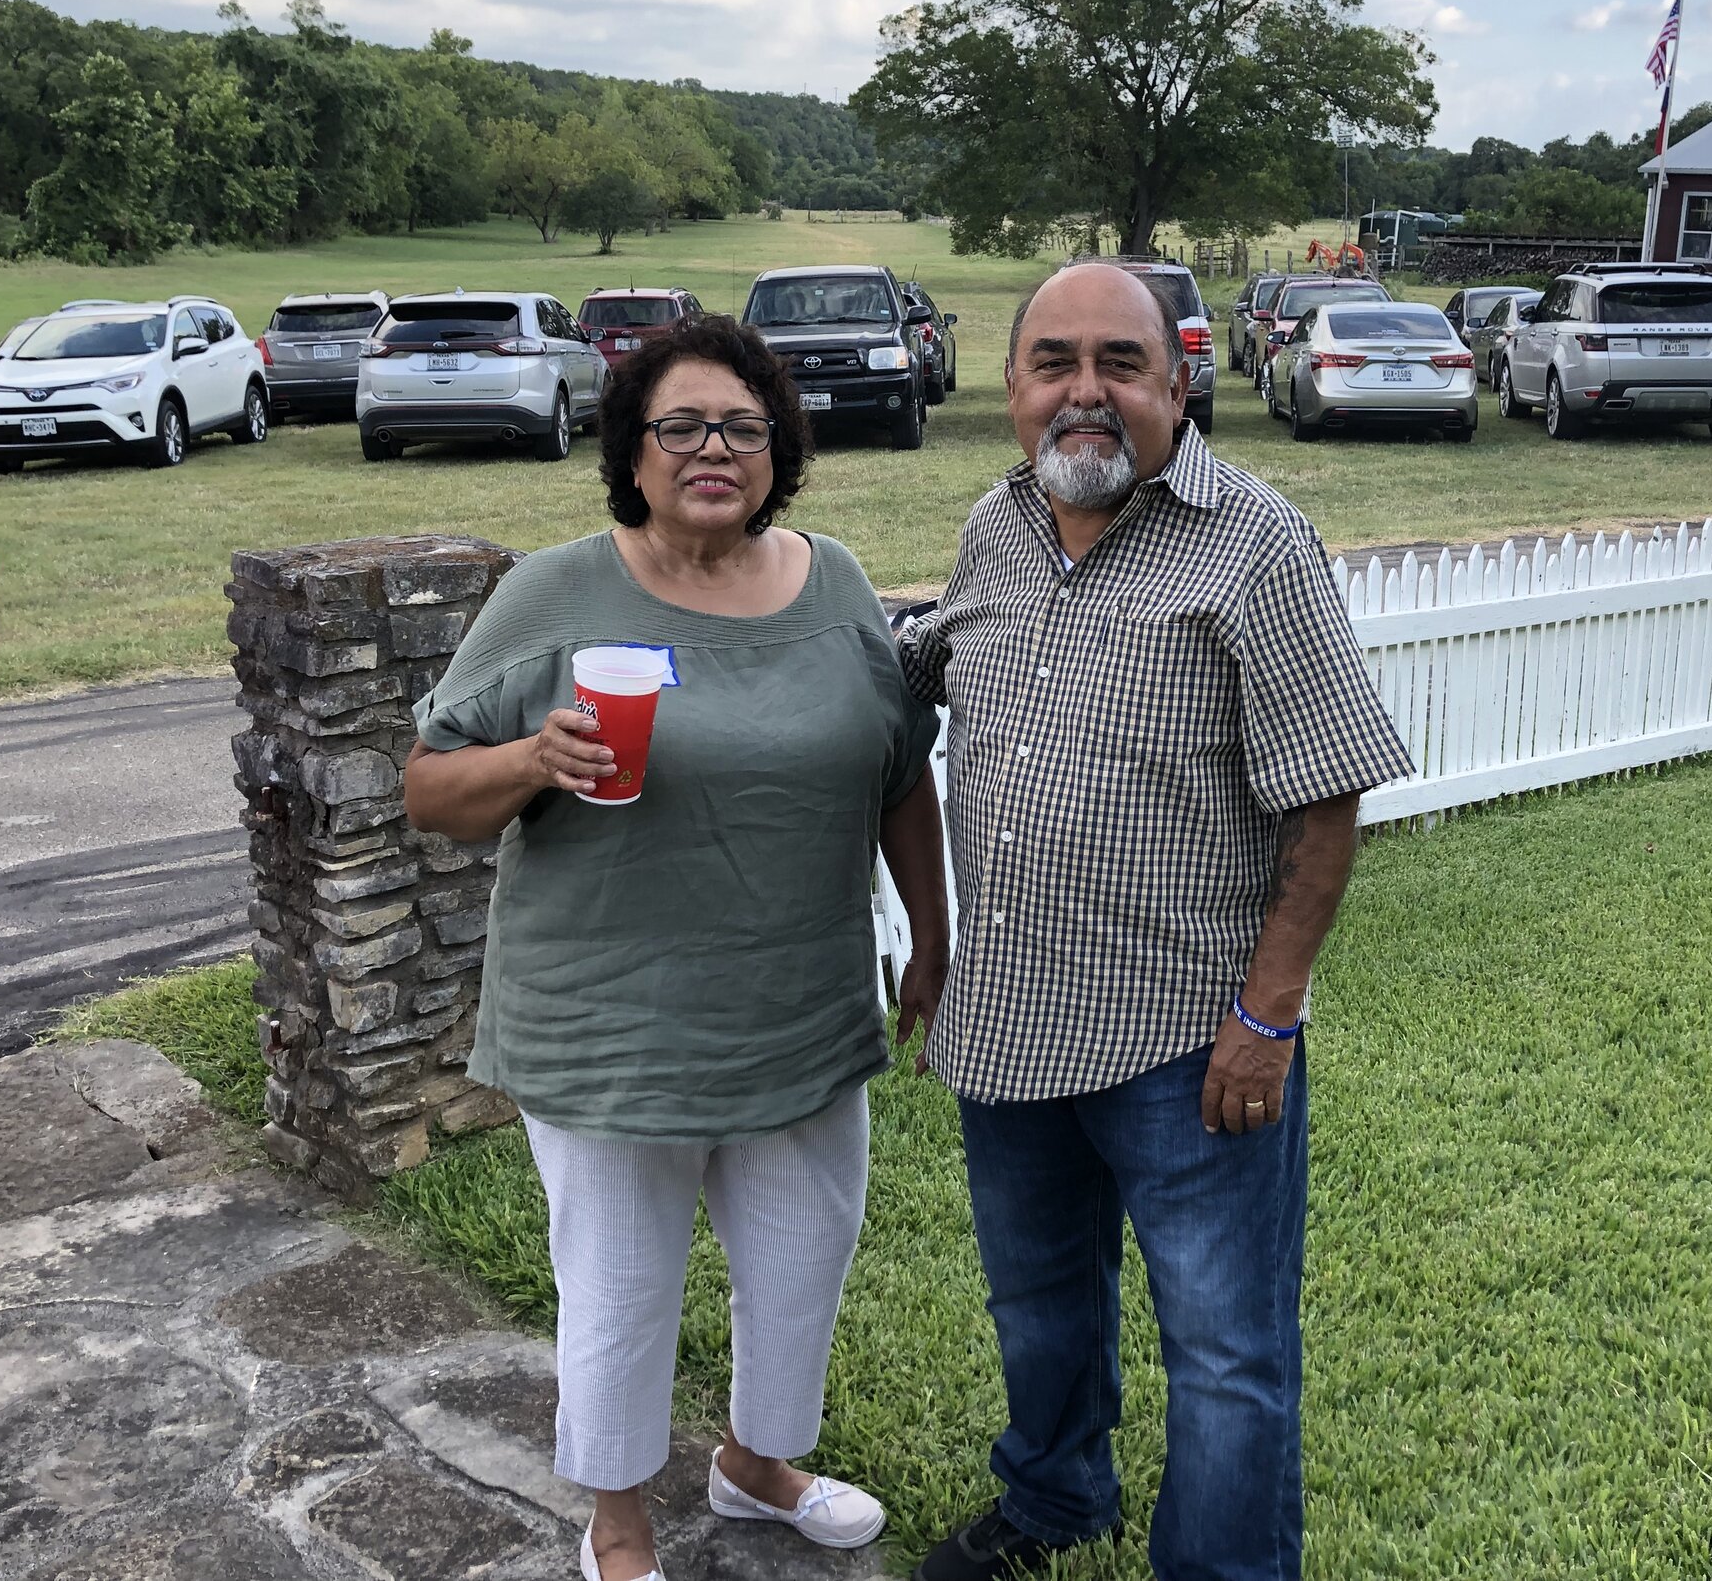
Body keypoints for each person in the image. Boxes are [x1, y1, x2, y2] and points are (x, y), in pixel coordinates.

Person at [403, 315, 950, 1581]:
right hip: (610, 1023)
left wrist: (930, 936)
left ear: (780, 450)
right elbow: (429, 788)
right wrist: (531, 757)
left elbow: (897, 775)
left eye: (744, 427)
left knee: (801, 1261)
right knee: (621, 1287)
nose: (715, 449)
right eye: (683, 426)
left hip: (800, 1009)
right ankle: (619, 1525)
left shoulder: (837, 582)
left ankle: (757, 1468)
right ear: (633, 452)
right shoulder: (555, 594)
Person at [897, 262, 1414, 1581]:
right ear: (1011, 387)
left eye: (1119, 363)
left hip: (1185, 1043)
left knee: (1227, 1349)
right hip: (1007, 1021)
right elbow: (925, 673)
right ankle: (1053, 1497)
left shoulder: (1256, 544)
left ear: (1179, 386)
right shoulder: (996, 524)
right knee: (1037, 1301)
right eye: (1054, 362)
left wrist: (1269, 1015)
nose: (1085, 391)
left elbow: (1326, 798)